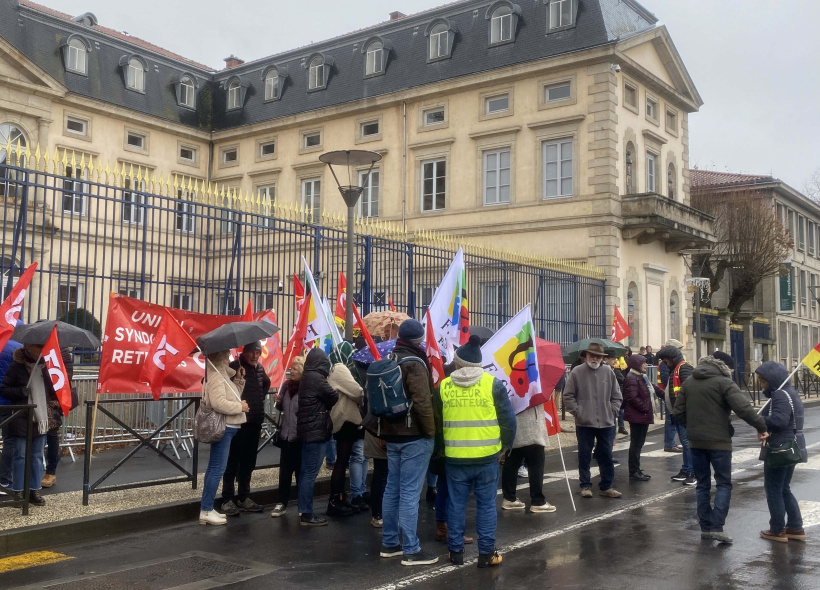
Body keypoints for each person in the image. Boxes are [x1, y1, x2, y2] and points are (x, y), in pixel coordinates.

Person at [435, 334, 516, 568]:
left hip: (455, 459)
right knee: (486, 505)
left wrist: (441, 450)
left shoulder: (444, 387)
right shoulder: (493, 384)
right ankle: (487, 553)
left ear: (458, 363)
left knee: (456, 505)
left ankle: (455, 552)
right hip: (487, 457)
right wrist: (506, 447)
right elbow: (508, 421)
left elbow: (437, 424)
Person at [674, 352, 768, 544]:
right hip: (719, 442)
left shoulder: (689, 382)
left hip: (696, 441)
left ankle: (705, 527)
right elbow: (744, 409)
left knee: (702, 484)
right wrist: (761, 426)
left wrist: (692, 428)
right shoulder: (724, 383)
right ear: (724, 367)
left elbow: (678, 412)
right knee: (723, 483)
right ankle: (717, 527)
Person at [379, 319, 437, 566]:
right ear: (419, 340)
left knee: (392, 488)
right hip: (413, 435)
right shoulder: (415, 362)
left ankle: (390, 543)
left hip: (391, 433)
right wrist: (431, 433)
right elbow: (422, 402)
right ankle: (411, 549)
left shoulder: (391, 358)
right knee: (410, 492)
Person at [0, 342, 65, 506]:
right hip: (21, 416)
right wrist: (21, 391)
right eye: (39, 347)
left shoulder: (46, 367)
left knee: (36, 456)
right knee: (20, 455)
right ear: (29, 348)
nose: (42, 351)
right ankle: (19, 492)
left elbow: (52, 391)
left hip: (40, 418)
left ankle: (34, 491)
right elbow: (4, 388)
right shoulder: (17, 367)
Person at [755, 361, 807, 543]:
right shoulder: (791, 393)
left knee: (773, 489)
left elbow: (779, 421)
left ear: (773, 380)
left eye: (764, 381)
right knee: (784, 488)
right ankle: (795, 527)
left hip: (780, 448)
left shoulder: (780, 395)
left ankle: (777, 530)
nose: (763, 385)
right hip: (792, 445)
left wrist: (760, 419)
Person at [563, 342, 622, 499]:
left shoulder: (608, 372)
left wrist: (612, 411)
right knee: (584, 455)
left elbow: (617, 396)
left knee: (606, 455)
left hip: (606, 422)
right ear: (586, 356)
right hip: (584, 423)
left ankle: (606, 486)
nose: (594, 358)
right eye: (592, 355)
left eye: (598, 356)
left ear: (602, 357)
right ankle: (585, 486)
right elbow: (567, 395)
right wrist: (578, 412)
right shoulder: (577, 372)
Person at [220, 341, 270, 516]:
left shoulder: (259, 369)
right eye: (253, 353)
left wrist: (258, 401)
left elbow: (266, 384)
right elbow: (219, 384)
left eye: (258, 352)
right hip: (238, 422)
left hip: (254, 421)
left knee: (249, 463)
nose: (256, 356)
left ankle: (243, 497)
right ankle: (227, 499)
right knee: (233, 461)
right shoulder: (235, 366)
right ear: (245, 352)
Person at [199, 350, 248, 526]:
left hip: (228, 426)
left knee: (215, 467)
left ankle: (207, 508)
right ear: (220, 358)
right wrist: (239, 407)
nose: (229, 359)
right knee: (217, 468)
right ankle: (205, 510)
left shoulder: (221, 376)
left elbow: (233, 396)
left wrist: (239, 380)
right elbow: (218, 403)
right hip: (224, 427)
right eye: (227, 356)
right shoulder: (217, 377)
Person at [297, 348, 339, 527]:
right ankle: (307, 514)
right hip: (316, 431)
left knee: (306, 472)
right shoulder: (317, 378)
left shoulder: (306, 376)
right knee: (310, 474)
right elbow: (333, 396)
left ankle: (303, 509)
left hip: (307, 431)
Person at [327, 342, 364, 516]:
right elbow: (357, 392)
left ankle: (340, 496)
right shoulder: (339, 368)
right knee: (341, 462)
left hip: (343, 419)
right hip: (344, 420)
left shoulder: (333, 366)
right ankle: (335, 500)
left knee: (343, 461)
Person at [501, 402, 555, 512]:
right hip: (533, 430)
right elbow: (545, 397)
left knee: (511, 463)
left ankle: (509, 498)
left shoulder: (508, 386)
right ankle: (538, 501)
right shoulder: (536, 386)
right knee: (536, 465)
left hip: (513, 428)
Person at [656, 344, 695, 485]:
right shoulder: (675, 369)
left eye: (666, 360)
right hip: (677, 413)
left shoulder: (684, 369)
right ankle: (686, 469)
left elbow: (689, 391)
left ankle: (692, 471)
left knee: (687, 443)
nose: (665, 363)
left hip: (684, 414)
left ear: (672, 358)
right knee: (685, 444)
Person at [270, 356, 304, 518]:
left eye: (295, 369)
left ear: (303, 371)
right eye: (291, 369)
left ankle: (302, 504)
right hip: (285, 436)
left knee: (300, 472)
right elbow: (280, 408)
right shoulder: (285, 385)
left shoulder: (306, 388)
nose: (291, 371)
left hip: (300, 437)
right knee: (284, 473)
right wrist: (277, 401)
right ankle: (281, 503)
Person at [622, 354, 662, 481]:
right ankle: (634, 471)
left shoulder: (641, 376)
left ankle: (636, 468)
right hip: (638, 416)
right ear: (636, 364)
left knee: (639, 443)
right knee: (636, 443)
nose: (646, 365)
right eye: (643, 363)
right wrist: (646, 408)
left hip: (642, 415)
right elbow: (632, 397)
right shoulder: (632, 377)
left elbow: (653, 388)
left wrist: (666, 395)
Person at [41, 347, 73, 489]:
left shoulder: (60, 351)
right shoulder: (34, 349)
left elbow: (65, 376)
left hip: (53, 400)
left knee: (52, 435)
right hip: (38, 397)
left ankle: (51, 472)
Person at [659, 339, 684, 453]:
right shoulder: (665, 363)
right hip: (669, 394)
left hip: (670, 393)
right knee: (670, 420)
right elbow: (666, 378)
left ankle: (671, 442)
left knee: (671, 420)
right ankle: (669, 443)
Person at [364, 429, 388, 528]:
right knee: (382, 475)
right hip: (382, 435)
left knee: (382, 475)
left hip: (382, 434)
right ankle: (378, 514)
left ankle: (379, 514)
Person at [606, 356, 627, 436]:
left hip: (614, 397)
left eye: (615, 359)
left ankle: (615, 434)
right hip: (607, 398)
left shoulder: (615, 371)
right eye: (613, 359)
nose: (615, 361)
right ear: (606, 359)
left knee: (616, 414)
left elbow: (622, 380)